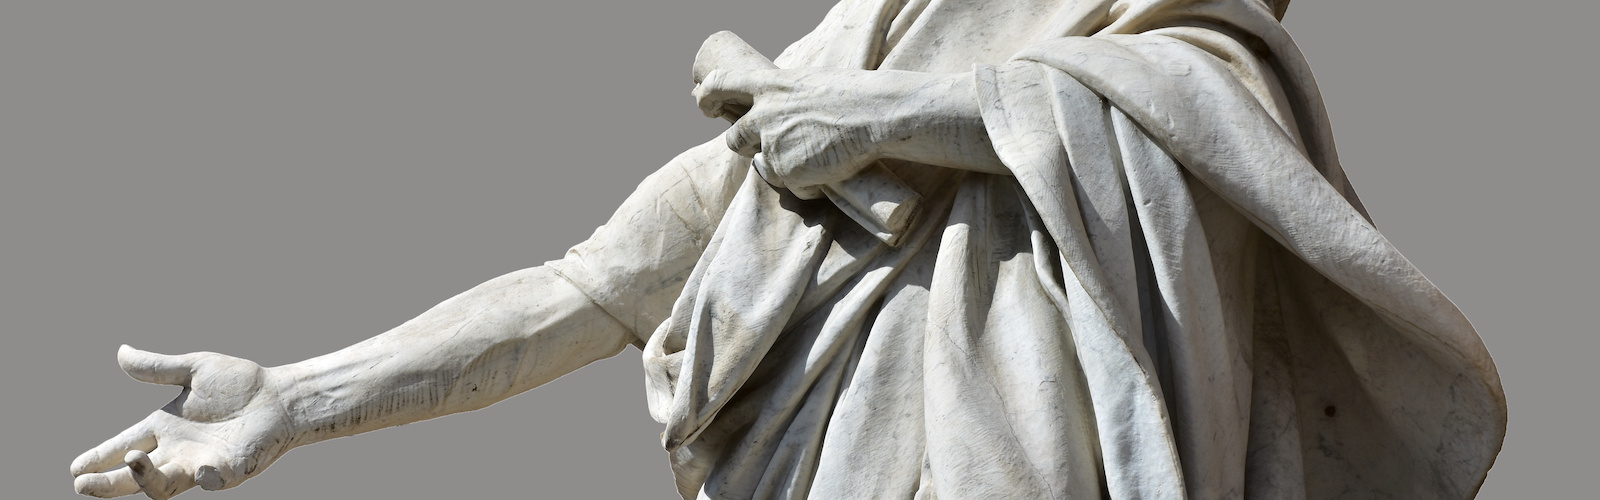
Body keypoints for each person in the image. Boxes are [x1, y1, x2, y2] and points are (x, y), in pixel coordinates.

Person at [70, 0, 1507, 498]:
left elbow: (1193, 116)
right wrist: (297, 399)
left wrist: (891, 122)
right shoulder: (832, 59)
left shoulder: (1181, 57)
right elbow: (585, 288)